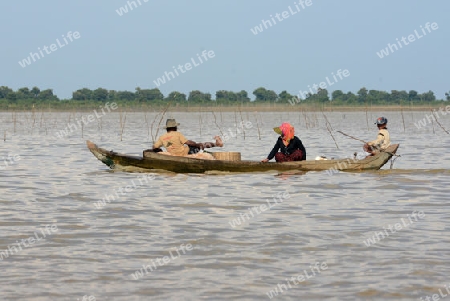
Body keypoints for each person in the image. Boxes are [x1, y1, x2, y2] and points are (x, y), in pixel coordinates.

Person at [152, 119, 223, 156]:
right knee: (200, 145)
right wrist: (197, 145)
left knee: (194, 145)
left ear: (167, 128)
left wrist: (160, 150)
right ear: (175, 127)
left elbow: (154, 147)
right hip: (185, 152)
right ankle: (217, 144)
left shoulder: (162, 137)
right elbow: (187, 142)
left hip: (173, 153)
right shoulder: (177, 134)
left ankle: (214, 146)